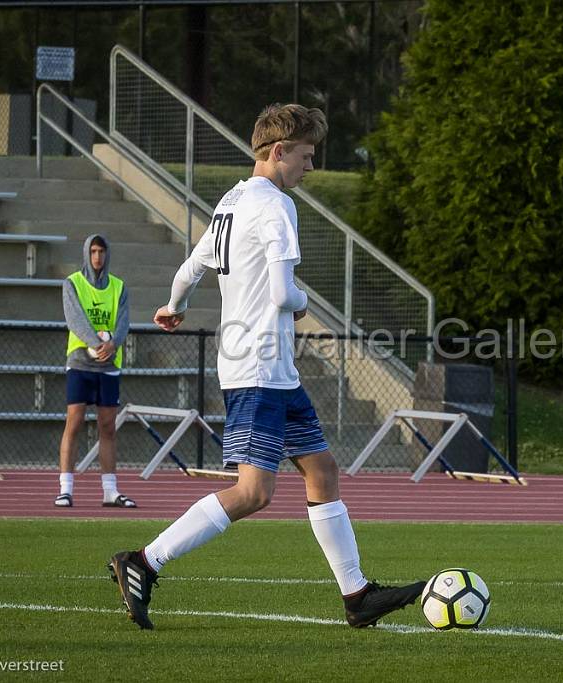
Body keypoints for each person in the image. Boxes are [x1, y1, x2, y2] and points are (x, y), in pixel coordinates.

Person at [107, 104, 425, 630]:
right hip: (258, 365)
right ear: (279, 152)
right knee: (254, 492)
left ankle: (357, 595)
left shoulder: (232, 202)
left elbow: (189, 270)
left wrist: (174, 306)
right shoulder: (276, 206)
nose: (311, 166)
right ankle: (143, 561)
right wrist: (301, 302)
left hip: (269, 369)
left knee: (322, 471)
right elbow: (282, 293)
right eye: (306, 155)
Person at [56, 234, 135, 508]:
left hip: (109, 363)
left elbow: (124, 321)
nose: (97, 257)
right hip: (80, 362)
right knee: (74, 422)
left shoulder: (119, 286)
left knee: (107, 426)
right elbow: (74, 318)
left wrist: (113, 343)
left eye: (101, 251)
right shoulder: (73, 283)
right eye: (93, 251)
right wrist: (95, 343)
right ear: (86, 254)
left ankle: (110, 490)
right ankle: (65, 488)